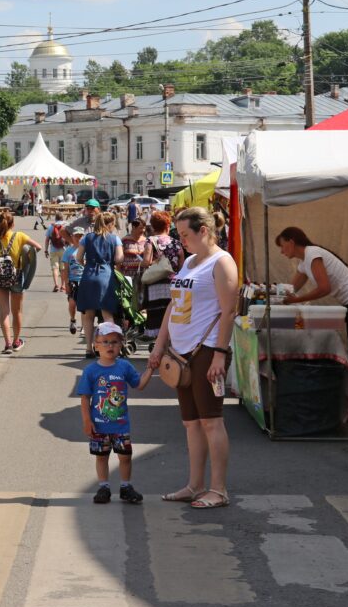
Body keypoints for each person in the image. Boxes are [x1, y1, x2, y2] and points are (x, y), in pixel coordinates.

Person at [148, 207, 238, 509]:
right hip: (182, 353)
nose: (181, 240)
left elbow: (229, 312)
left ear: (203, 231)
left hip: (207, 352)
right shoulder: (189, 262)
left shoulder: (222, 263)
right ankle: (195, 485)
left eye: (185, 234)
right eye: (179, 234)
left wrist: (219, 355)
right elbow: (174, 307)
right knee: (191, 424)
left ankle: (219, 489)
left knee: (211, 421)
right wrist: (160, 346)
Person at [276, 226, 348, 422]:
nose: (281, 251)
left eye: (282, 246)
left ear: (291, 241)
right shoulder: (305, 263)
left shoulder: (313, 254)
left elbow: (324, 288)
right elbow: (290, 289)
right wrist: (276, 296)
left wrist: (294, 301)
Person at [78, 321, 154, 504]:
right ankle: (103, 487)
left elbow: (139, 384)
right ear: (95, 345)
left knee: (125, 457)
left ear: (121, 345)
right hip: (99, 426)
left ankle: (126, 486)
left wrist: (151, 368)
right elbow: (85, 398)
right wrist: (87, 421)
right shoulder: (90, 371)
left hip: (121, 425)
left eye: (114, 342)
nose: (109, 346)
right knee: (102, 457)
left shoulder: (124, 367)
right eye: (104, 341)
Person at [0, 209, 41, 354]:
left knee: (4, 312)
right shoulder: (19, 236)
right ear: (13, 224)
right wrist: (26, 258)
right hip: (16, 276)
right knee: (17, 312)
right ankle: (17, 341)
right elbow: (38, 247)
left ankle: (7, 344)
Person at [76, 212, 123, 358]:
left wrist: (86, 264)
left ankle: (89, 349)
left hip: (88, 276)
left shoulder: (87, 238)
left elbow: (78, 257)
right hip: (106, 276)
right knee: (107, 314)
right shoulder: (114, 238)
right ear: (110, 224)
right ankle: (110, 347)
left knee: (88, 315)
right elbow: (119, 258)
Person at [140, 211, 182, 342]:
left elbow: (146, 261)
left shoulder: (151, 241)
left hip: (155, 284)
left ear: (153, 226)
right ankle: (170, 342)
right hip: (172, 283)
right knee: (170, 313)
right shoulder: (176, 243)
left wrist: (140, 262)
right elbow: (182, 266)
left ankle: (158, 342)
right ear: (168, 225)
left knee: (156, 313)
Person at [61, 227, 86, 335]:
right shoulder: (68, 251)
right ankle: (73, 319)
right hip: (73, 280)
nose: (79, 238)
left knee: (84, 305)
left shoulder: (87, 250)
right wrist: (66, 283)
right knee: (72, 303)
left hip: (84, 280)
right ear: (72, 237)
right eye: (76, 236)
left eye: (81, 236)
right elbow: (65, 269)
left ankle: (84, 326)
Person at [119, 217, 147, 283]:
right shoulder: (124, 240)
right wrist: (119, 276)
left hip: (142, 276)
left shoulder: (146, 241)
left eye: (144, 228)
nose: (143, 230)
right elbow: (119, 260)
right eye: (141, 228)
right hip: (127, 276)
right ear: (133, 227)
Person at [44, 220, 66, 292]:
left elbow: (47, 240)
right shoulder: (65, 225)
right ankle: (63, 286)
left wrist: (46, 250)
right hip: (64, 250)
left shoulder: (51, 226)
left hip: (54, 250)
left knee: (55, 268)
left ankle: (56, 284)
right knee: (63, 268)